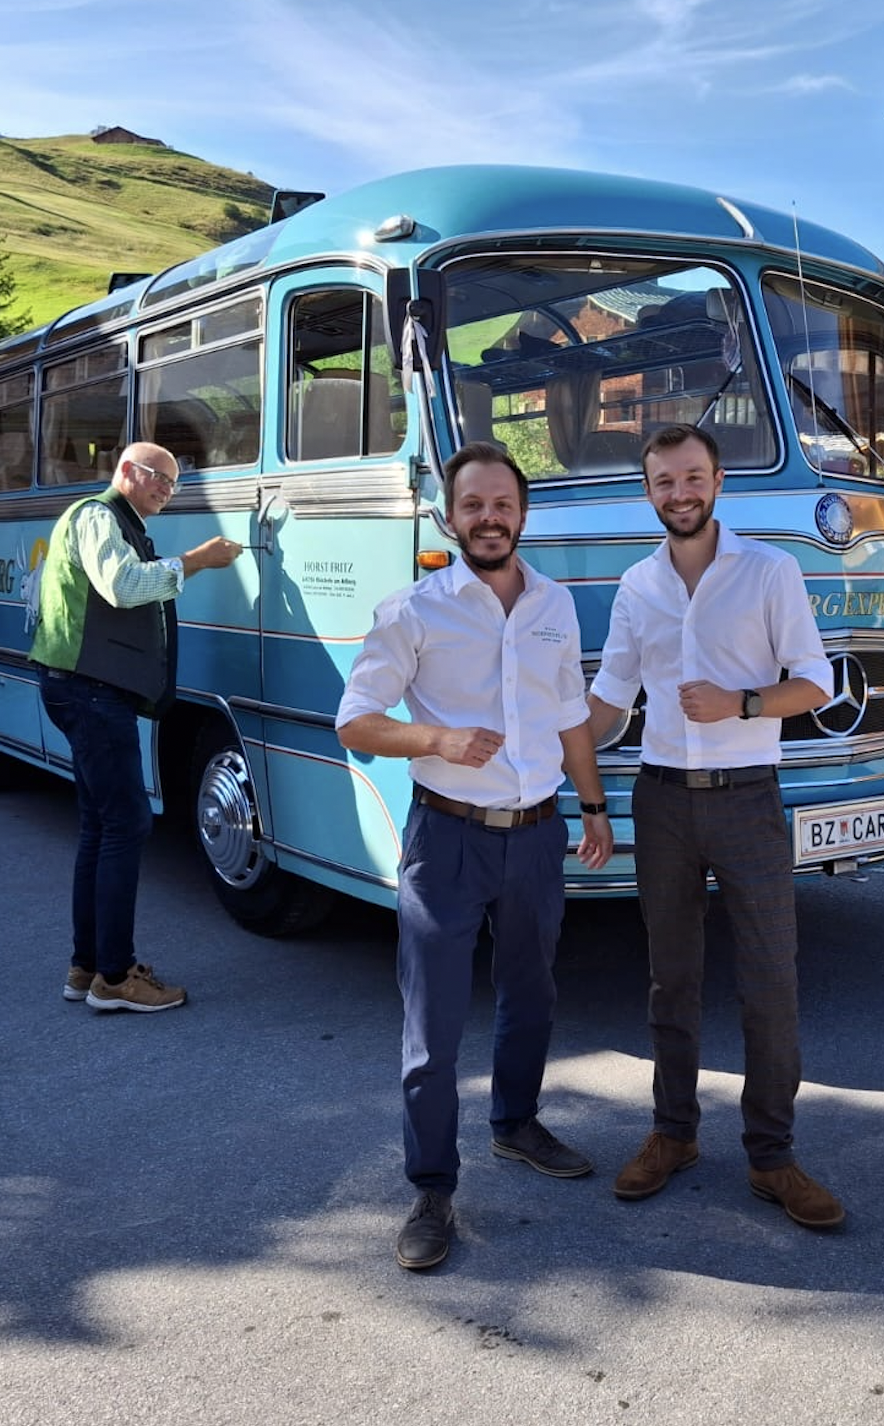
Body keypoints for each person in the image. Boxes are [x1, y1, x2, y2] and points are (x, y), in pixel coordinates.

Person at [337, 441, 614, 1271]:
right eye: (473, 505)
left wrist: (593, 806)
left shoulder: (554, 604)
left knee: (532, 993)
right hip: (447, 840)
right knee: (434, 1026)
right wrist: (437, 738)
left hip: (537, 834)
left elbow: (570, 715)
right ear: (450, 517)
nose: (489, 518)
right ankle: (432, 1189)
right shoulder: (414, 610)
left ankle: (516, 1124)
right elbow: (355, 721)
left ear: (521, 514)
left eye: (502, 504)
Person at [586, 423, 845, 1229]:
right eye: (664, 481)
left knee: (770, 981)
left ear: (718, 481)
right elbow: (609, 701)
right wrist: (536, 745)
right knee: (672, 980)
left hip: (747, 799)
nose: (680, 493)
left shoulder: (769, 570)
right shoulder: (638, 585)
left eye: (692, 477)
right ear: (649, 492)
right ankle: (673, 1135)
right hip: (662, 800)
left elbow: (817, 682)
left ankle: (772, 1157)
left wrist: (741, 702)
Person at [30, 441, 243, 1012]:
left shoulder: (112, 520)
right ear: (126, 470)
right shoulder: (99, 516)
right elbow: (122, 586)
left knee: (101, 828)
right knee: (126, 825)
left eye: (173, 484)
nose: (166, 491)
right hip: (93, 691)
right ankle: (116, 978)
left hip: (86, 689)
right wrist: (195, 561)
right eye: (159, 478)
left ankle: (88, 967)